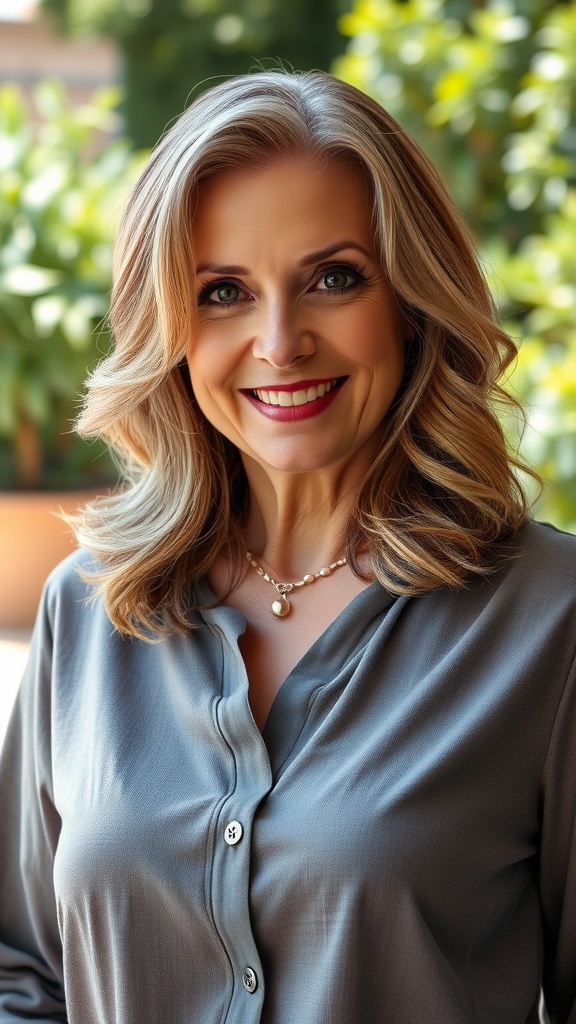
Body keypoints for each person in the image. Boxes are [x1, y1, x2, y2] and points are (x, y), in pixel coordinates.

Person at [0, 68, 575, 1024]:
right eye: (223, 291)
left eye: (334, 278)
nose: (279, 340)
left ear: (412, 298)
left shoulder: (549, 622)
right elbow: (19, 971)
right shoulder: (90, 607)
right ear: (170, 329)